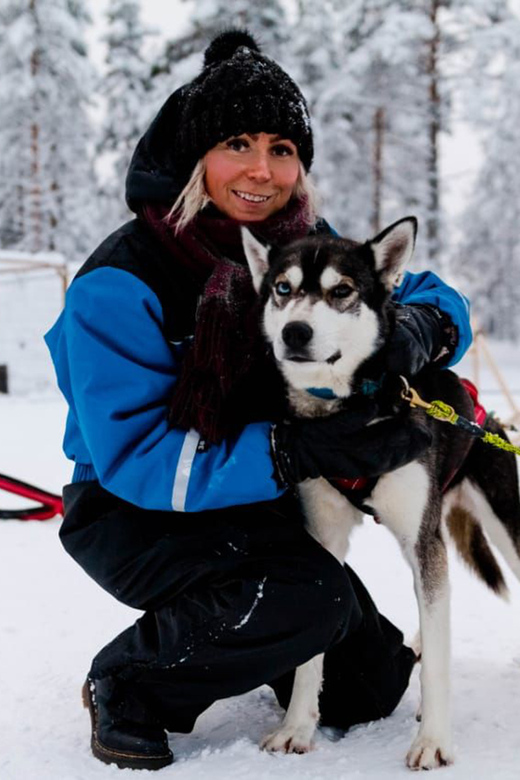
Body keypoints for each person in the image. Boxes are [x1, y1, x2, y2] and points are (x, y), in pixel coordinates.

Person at [45, 29, 472, 771]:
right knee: (307, 598)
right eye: (236, 142)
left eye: (282, 148)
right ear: (193, 156)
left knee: (367, 686)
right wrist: (288, 449)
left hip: (256, 496)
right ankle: (131, 681)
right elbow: (135, 457)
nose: (261, 168)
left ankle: (253, 626)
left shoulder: (299, 246)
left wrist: (421, 327)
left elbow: (421, 289)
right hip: (136, 511)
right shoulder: (123, 281)